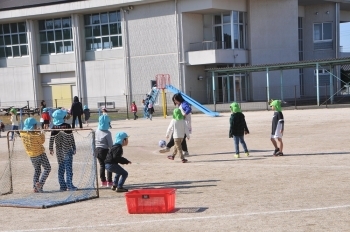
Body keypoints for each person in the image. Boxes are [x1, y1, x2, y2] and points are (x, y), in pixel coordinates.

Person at [20, 117, 51, 193]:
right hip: (40, 154)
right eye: (35, 125)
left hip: (32, 155)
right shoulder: (35, 135)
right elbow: (42, 141)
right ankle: (40, 184)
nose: (36, 126)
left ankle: (35, 187)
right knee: (47, 168)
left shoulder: (23, 133)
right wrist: (41, 132)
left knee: (37, 170)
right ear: (32, 126)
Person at [49, 109, 77, 191]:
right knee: (68, 168)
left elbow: (51, 139)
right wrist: (74, 146)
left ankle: (62, 185)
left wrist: (51, 148)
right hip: (67, 149)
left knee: (61, 168)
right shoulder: (67, 126)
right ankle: (69, 185)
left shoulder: (54, 127)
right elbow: (71, 137)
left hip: (59, 150)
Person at [95, 113, 114, 187]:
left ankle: (103, 181)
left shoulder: (97, 131)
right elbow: (110, 144)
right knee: (109, 165)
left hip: (97, 150)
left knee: (102, 166)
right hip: (104, 150)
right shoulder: (107, 133)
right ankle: (109, 181)